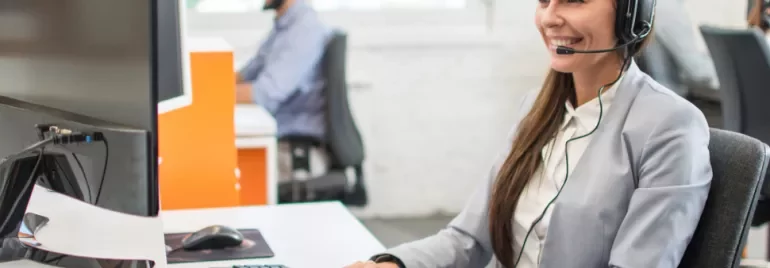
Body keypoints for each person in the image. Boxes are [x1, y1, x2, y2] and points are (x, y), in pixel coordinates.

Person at [346, 0, 712, 267]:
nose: (550, 17)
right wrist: (393, 264)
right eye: (543, 1)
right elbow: (467, 240)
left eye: (574, 1)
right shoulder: (535, 110)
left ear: (632, 15)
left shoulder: (670, 126)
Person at [235, 0, 331, 182]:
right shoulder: (283, 26)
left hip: (293, 149)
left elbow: (264, 94)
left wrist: (207, 96)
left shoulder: (304, 29)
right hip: (279, 136)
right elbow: (248, 73)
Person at [636, 0, 720, 97]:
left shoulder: (655, 4)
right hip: (671, 100)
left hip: (656, 95)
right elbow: (699, 73)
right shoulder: (668, 9)